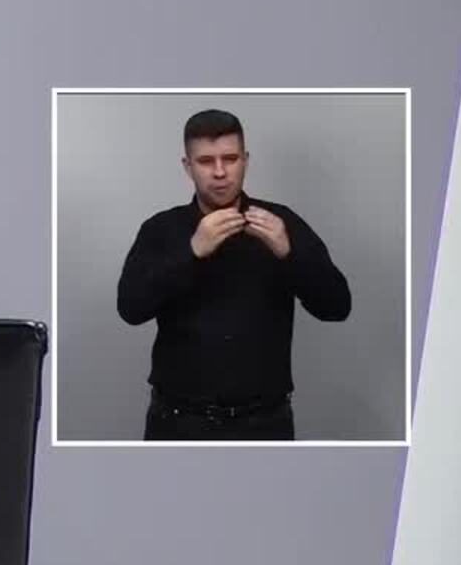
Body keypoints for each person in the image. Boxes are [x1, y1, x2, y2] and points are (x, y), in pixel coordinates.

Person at [116, 109, 351, 440]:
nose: (220, 172)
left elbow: (337, 307)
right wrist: (191, 252)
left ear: (246, 161)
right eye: (205, 161)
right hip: (178, 422)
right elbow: (130, 308)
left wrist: (289, 253)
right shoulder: (161, 229)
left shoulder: (281, 222)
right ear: (187, 166)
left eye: (230, 158)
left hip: (265, 423)